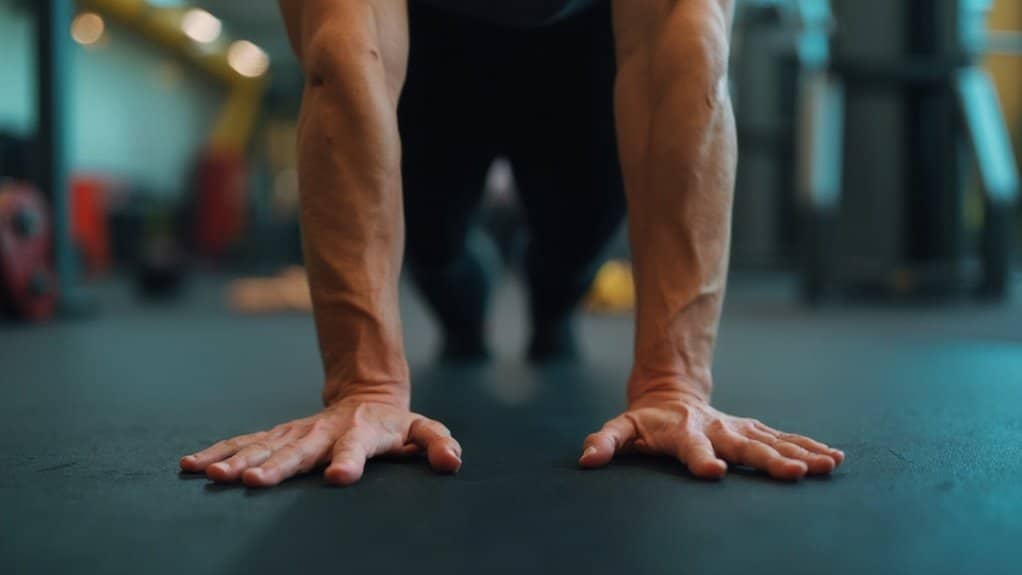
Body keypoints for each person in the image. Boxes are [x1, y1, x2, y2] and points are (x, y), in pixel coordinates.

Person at [179, 0, 845, 487]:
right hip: (428, 43)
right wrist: (367, 385)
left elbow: (689, 48)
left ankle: (551, 303)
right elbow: (344, 59)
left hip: (587, 46)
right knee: (437, 249)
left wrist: (675, 383)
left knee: (572, 244)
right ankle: (464, 310)